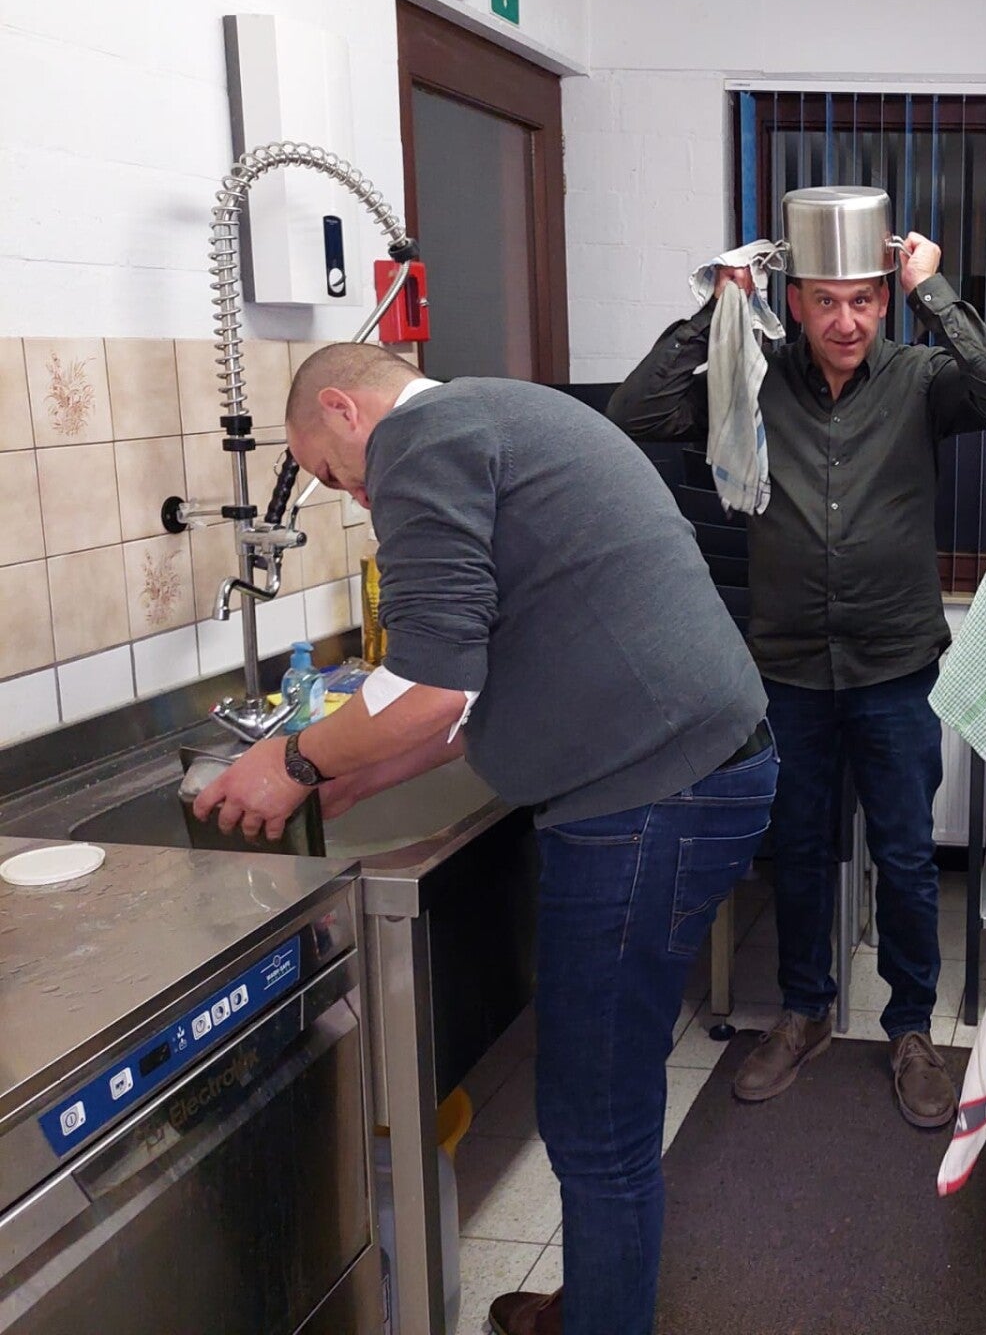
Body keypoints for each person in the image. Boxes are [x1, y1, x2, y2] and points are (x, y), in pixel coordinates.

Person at [193, 344, 775, 1335]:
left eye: (332, 471)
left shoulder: (421, 441)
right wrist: (356, 769)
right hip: (696, 771)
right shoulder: (496, 416)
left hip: (647, 799)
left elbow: (431, 686)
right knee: (607, 1097)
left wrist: (292, 760)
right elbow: (475, 680)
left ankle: (603, 1322)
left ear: (344, 408)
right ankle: (600, 1301)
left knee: (593, 1117)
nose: (355, 495)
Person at [609, 233, 986, 1127]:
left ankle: (910, 1029)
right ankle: (802, 1013)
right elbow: (635, 410)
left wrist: (931, 289)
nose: (847, 321)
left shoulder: (919, 379)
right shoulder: (749, 380)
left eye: (864, 300)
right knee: (799, 849)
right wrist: (719, 305)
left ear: (883, 299)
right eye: (827, 301)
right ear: (795, 302)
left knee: (907, 856)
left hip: (895, 666)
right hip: (790, 669)